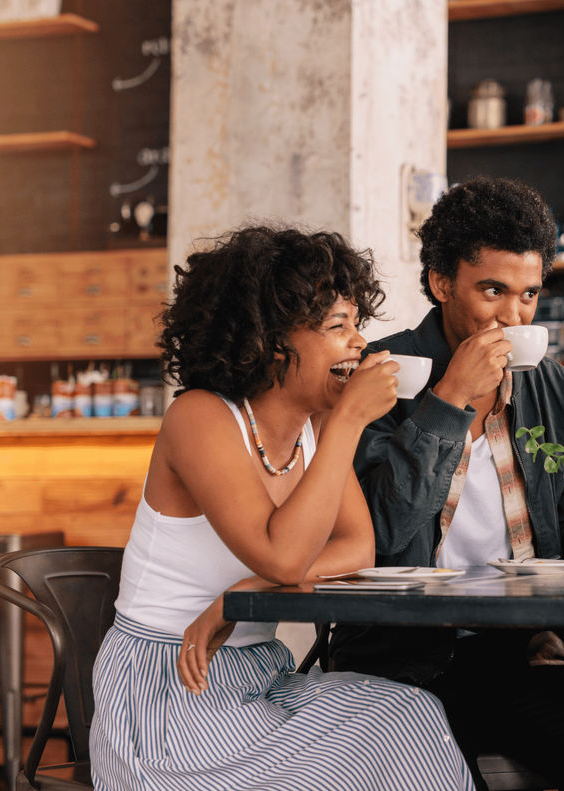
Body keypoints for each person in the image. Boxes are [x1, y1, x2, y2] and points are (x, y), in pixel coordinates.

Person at [89, 223, 473, 791]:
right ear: (270, 341)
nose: (359, 344)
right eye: (338, 327)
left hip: (258, 676)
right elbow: (285, 558)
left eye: (357, 324)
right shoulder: (199, 417)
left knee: (409, 715)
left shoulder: (314, 426)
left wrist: (239, 600)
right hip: (169, 691)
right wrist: (350, 419)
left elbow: (356, 548)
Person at [327, 177, 564, 791]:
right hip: (405, 658)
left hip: (523, 653)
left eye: (530, 294)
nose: (514, 315)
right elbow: (377, 533)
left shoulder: (552, 389)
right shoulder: (383, 374)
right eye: (493, 291)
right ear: (440, 282)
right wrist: (451, 397)